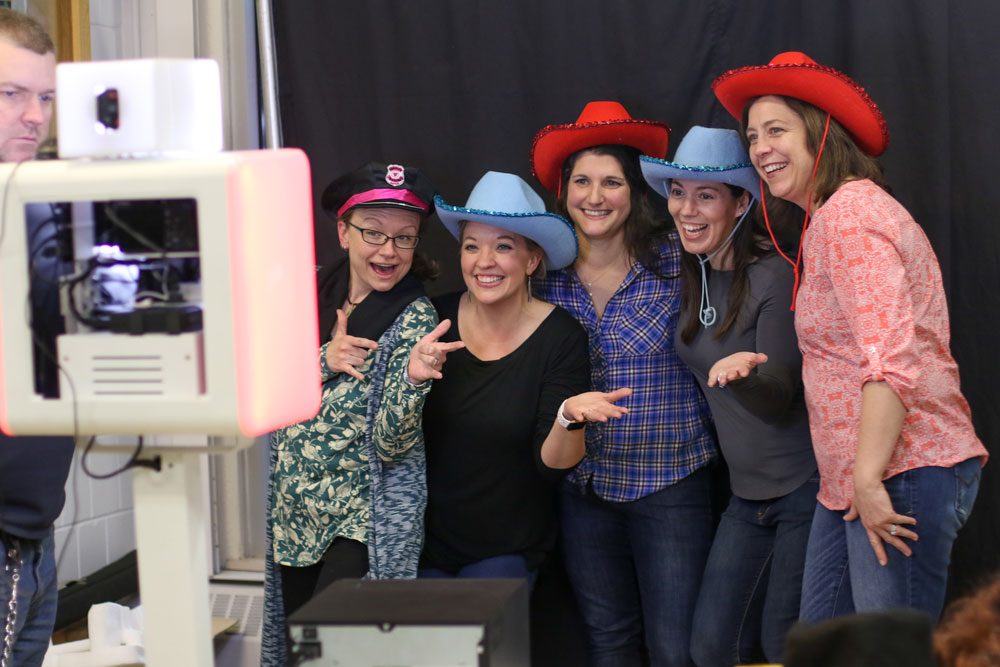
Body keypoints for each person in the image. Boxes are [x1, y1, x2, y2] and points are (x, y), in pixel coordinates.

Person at [712, 51, 988, 623]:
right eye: (753, 135)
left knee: (887, 657)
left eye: (777, 130)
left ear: (820, 132)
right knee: (828, 645)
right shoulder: (829, 219)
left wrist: (867, 480)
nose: (760, 147)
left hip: (900, 471)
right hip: (851, 480)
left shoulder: (851, 218)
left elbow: (889, 359)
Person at [530, 101, 717, 666]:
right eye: (581, 181)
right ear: (563, 193)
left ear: (635, 193)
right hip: (584, 491)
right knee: (608, 642)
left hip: (672, 483)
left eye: (611, 182)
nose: (594, 196)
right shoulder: (541, 279)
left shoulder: (679, 264)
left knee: (676, 648)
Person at [261, 162, 462, 664]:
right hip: (294, 514)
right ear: (343, 232)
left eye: (404, 238)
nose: (388, 251)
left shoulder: (414, 316)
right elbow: (259, 394)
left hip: (362, 519)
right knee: (293, 652)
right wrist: (321, 361)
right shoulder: (303, 293)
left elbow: (392, 444)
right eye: (373, 233)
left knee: (337, 652)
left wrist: (414, 380)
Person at [641, 126, 817, 665]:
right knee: (712, 647)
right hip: (746, 495)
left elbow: (781, 395)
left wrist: (742, 377)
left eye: (706, 195)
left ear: (742, 202)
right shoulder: (693, 273)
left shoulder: (774, 276)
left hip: (803, 490)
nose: (685, 208)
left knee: (782, 642)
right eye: (677, 191)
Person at [419, 171, 629, 582]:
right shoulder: (432, 320)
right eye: (471, 246)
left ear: (532, 260)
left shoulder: (560, 337)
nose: (484, 261)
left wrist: (568, 419)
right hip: (422, 544)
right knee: (424, 646)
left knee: (480, 643)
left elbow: (551, 466)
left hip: (505, 547)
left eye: (503, 247)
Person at [0, 10, 71, 667]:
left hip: (35, 526)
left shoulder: (44, 208)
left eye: (45, 97)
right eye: (11, 93)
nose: (33, 115)